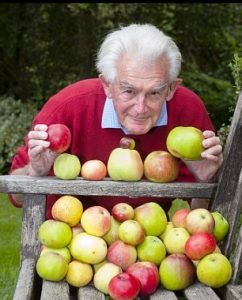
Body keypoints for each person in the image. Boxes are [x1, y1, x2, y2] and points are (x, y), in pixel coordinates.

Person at [9, 24, 223, 219]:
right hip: (70, 242)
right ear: (107, 85)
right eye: (129, 91)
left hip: (149, 241)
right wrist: (35, 172)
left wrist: (206, 180)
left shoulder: (187, 111)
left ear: (171, 89)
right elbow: (15, 198)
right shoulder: (68, 106)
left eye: (154, 93)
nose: (140, 108)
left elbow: (202, 216)